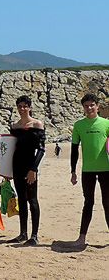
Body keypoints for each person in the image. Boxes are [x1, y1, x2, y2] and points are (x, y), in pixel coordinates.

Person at [69, 93, 109, 247]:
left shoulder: (106, 124)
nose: (89, 108)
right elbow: (74, 150)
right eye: (86, 106)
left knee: (108, 203)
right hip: (88, 171)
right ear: (83, 108)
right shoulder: (79, 125)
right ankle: (81, 238)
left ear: (98, 106)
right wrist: (73, 171)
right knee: (88, 203)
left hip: (106, 170)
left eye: (92, 105)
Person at [8, 95, 46, 246]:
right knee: (21, 200)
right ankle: (23, 233)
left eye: (25, 106)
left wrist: (33, 169)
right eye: (20, 106)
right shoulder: (15, 127)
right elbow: (10, 149)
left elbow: (41, 150)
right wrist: (6, 172)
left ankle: (34, 235)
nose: (22, 109)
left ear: (29, 107)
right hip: (16, 166)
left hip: (30, 167)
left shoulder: (37, 124)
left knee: (33, 200)